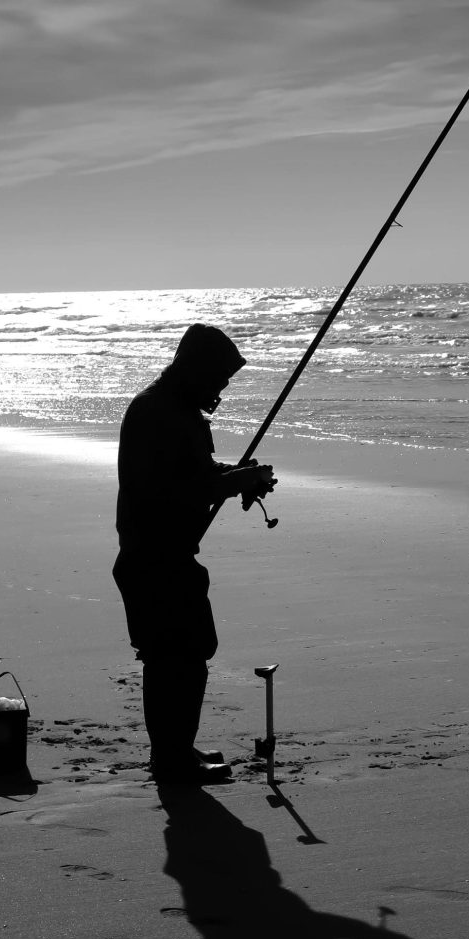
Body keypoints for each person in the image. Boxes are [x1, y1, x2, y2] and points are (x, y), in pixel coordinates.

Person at [113, 323, 275, 786]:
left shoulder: (173, 408)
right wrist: (234, 482)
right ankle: (171, 760)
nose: (220, 388)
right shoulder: (156, 412)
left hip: (167, 556)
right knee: (174, 659)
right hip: (154, 559)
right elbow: (173, 490)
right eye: (218, 378)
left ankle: (175, 749)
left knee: (185, 654)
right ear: (195, 370)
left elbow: (195, 472)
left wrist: (239, 474)